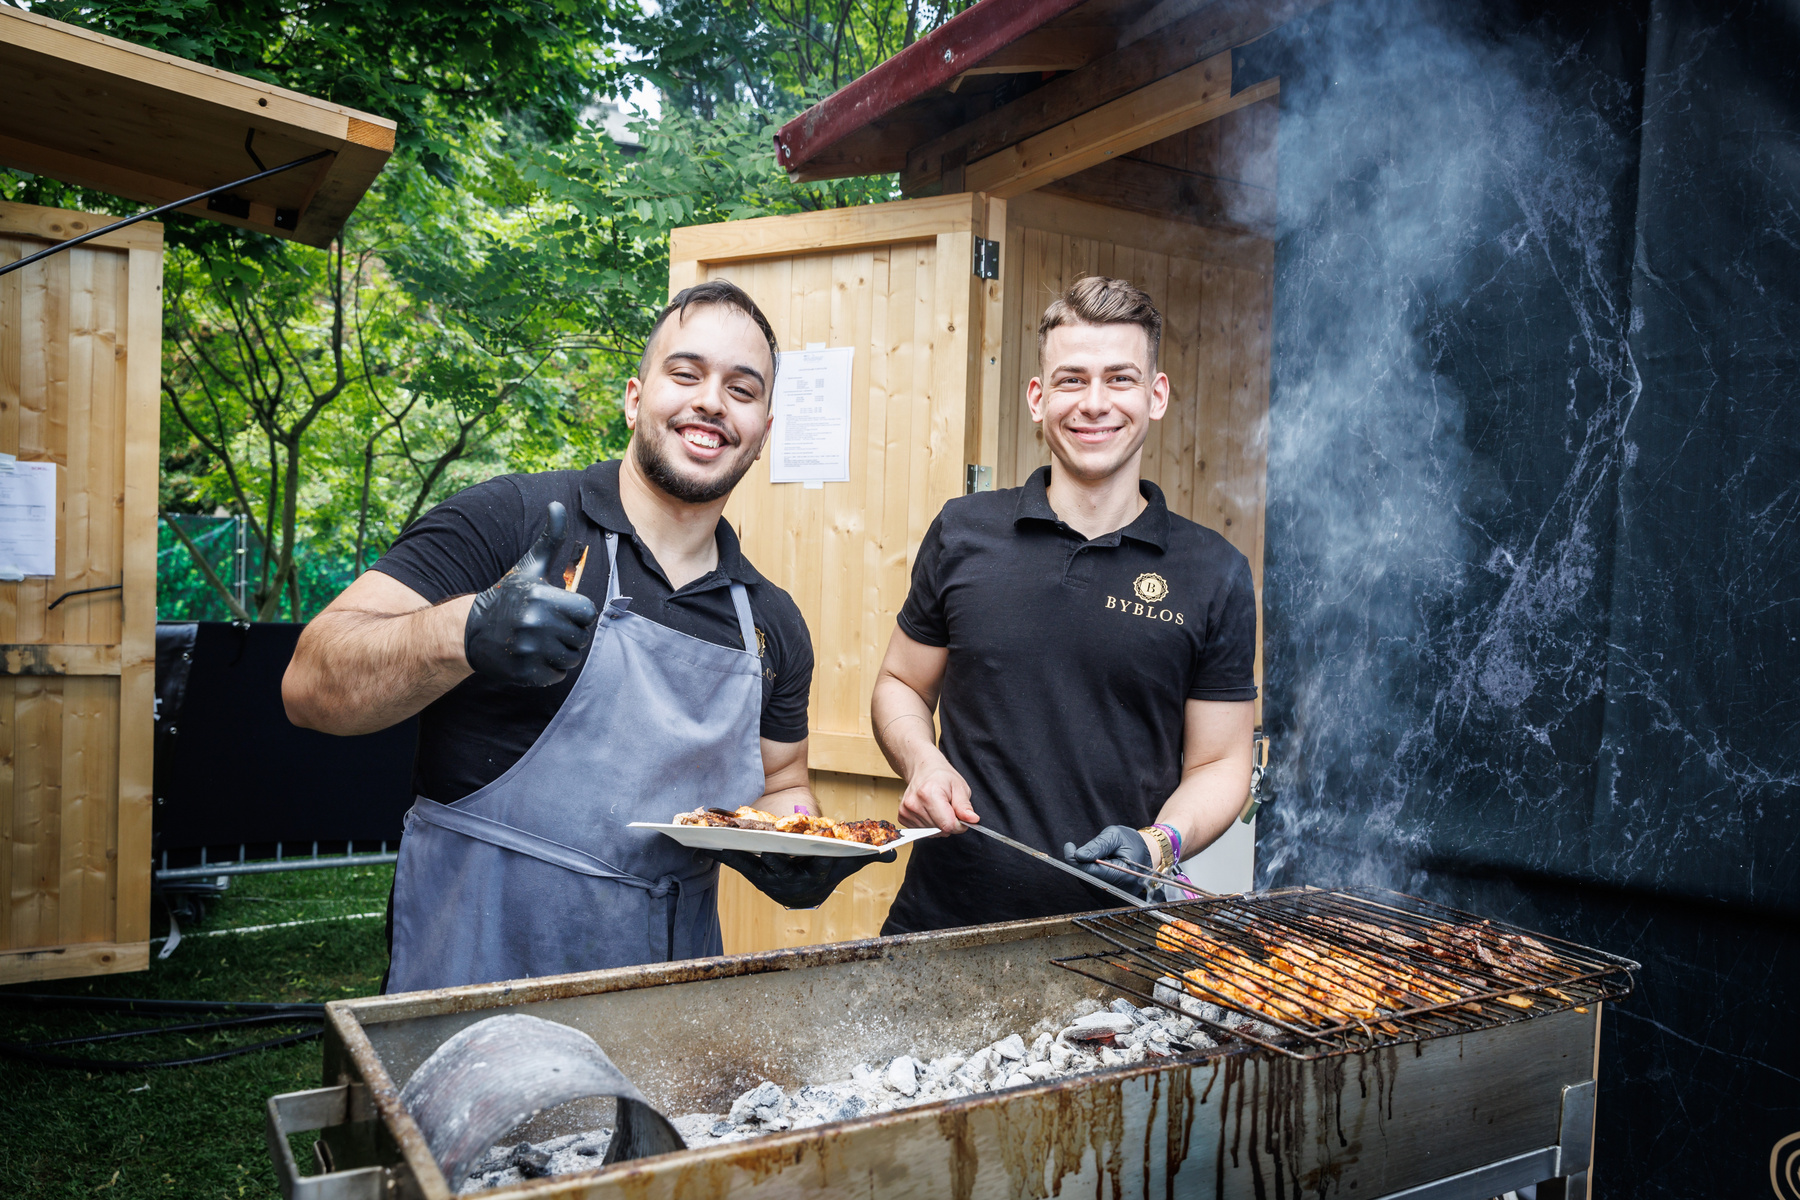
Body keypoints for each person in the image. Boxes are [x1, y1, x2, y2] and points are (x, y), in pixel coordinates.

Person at [283, 280, 889, 992]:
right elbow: (308, 684)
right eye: (686, 374)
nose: (711, 403)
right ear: (636, 398)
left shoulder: (770, 624)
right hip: (474, 977)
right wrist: (465, 631)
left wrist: (801, 844)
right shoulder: (513, 522)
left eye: (742, 389)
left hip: (662, 999)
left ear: (763, 432)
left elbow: (783, 781)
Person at [871, 276, 1257, 933]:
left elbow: (1223, 763)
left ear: (1155, 396)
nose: (1095, 403)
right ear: (1038, 397)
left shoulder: (1213, 571)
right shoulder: (963, 532)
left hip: (1119, 948)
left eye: (1120, 379)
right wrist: (923, 760)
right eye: (1072, 380)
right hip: (940, 927)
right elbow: (900, 683)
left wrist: (1158, 842)